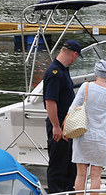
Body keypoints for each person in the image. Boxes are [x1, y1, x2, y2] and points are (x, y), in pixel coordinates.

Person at [70, 60, 106, 194]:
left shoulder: (86, 87)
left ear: (96, 72)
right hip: (102, 137)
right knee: (96, 176)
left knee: (81, 175)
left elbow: (72, 108)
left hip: (84, 134)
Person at [43, 39, 82, 193]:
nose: (76, 59)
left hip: (67, 124)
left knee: (69, 163)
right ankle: (55, 192)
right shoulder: (55, 73)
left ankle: (67, 189)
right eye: (77, 56)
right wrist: (56, 127)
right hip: (58, 124)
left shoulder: (63, 70)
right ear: (73, 54)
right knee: (58, 164)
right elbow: (50, 102)